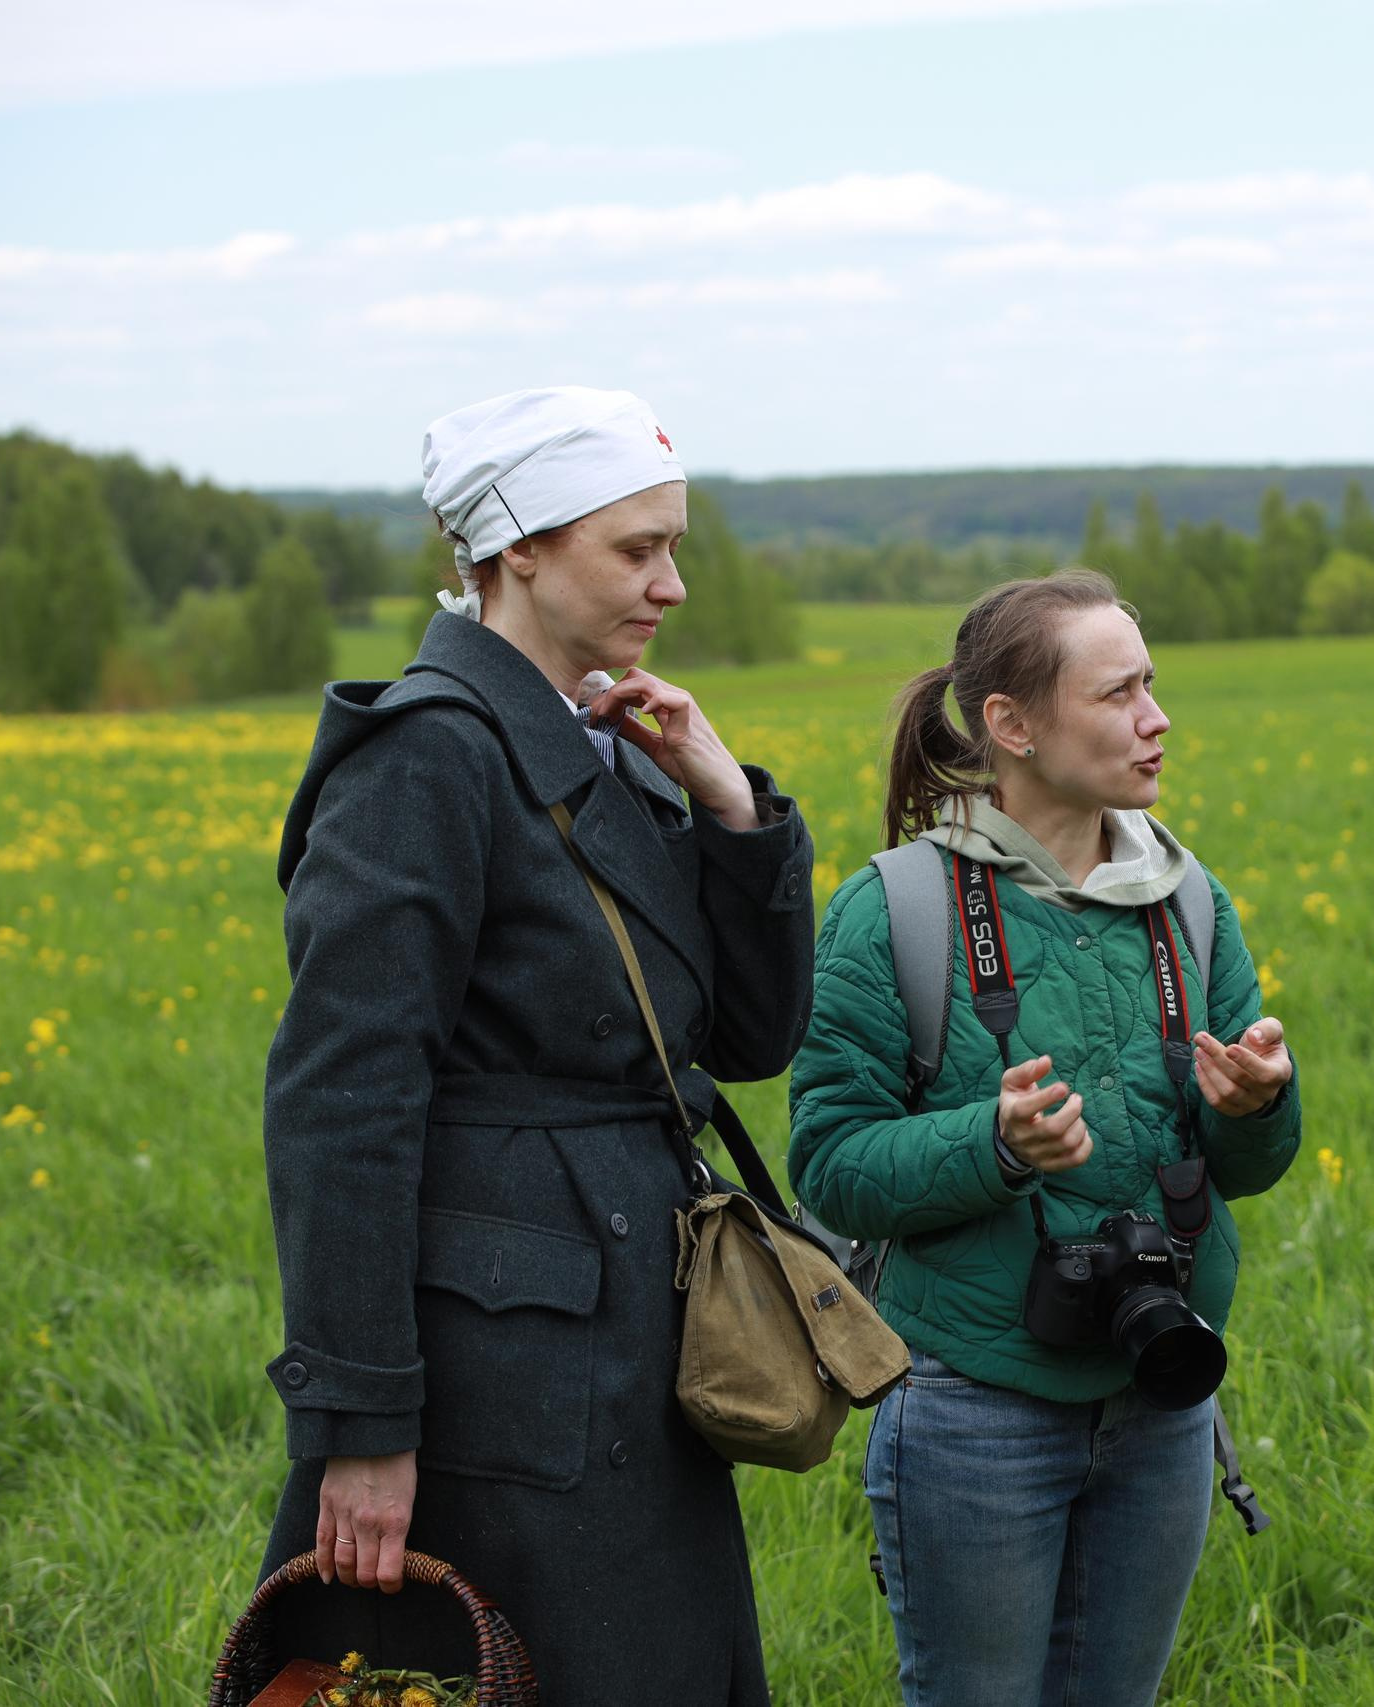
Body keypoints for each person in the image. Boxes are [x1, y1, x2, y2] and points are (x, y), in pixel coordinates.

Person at [256, 386, 815, 1703]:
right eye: (636, 548)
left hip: (631, 1331)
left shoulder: (610, 742)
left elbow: (746, 1037)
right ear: (517, 549)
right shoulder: (427, 756)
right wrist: (364, 1425)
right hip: (498, 1372)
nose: (672, 584)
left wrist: (731, 806)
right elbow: (343, 1103)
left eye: (674, 545)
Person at [788, 568, 1301, 1707]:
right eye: (1117, 694)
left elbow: (1246, 1173)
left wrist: (1257, 1106)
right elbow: (828, 1167)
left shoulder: (1187, 900)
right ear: (1009, 727)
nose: (1156, 719)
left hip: (1163, 1395)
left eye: (1151, 687)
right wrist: (997, 1144)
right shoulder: (897, 911)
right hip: (975, 1411)